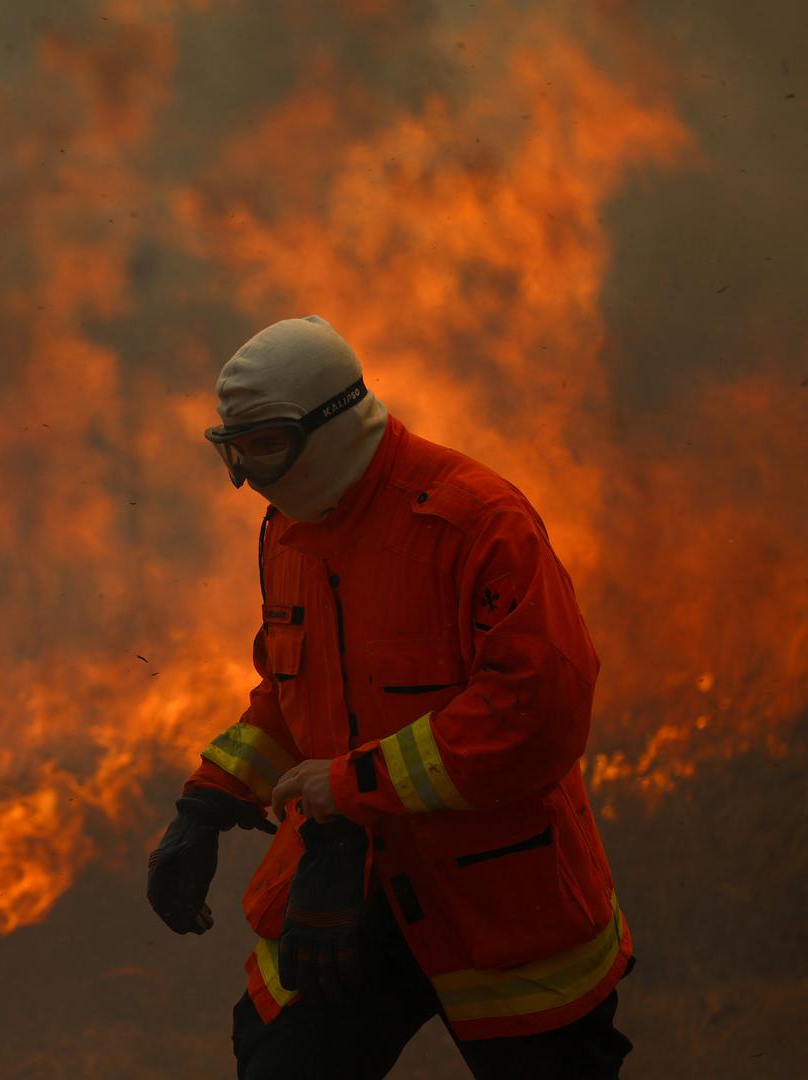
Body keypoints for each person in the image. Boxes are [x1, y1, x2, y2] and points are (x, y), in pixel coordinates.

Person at [146, 316, 634, 1079]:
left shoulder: (476, 524)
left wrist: (349, 788)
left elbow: (538, 711)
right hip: (344, 895)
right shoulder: (288, 534)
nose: (248, 474)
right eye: (232, 449)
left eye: (266, 443)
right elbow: (289, 693)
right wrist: (205, 804)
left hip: (502, 905)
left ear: (337, 423)